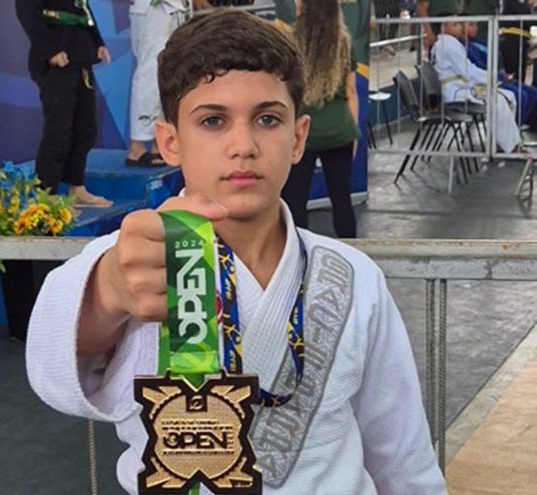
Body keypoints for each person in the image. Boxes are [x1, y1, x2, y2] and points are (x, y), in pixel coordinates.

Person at [27, 9, 447, 495]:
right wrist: (105, 294)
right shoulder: (137, 261)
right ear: (170, 142)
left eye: (267, 119)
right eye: (213, 121)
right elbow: (51, 367)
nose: (243, 145)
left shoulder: (353, 275)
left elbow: (402, 455)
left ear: (298, 138)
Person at [15, 0, 114, 207]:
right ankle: (47, 193)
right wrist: (50, 50)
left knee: (86, 126)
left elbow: (81, 6)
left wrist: (97, 41)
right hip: (57, 57)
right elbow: (26, 11)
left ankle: (77, 186)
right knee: (59, 128)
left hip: (80, 54)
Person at [280, 0, 359, 238]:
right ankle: (351, 252)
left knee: (295, 200)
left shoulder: (290, 42)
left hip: (302, 134)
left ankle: (299, 254)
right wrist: (354, 133)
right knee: (342, 200)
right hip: (340, 131)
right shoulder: (344, 44)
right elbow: (351, 91)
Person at [432, 15, 522, 152]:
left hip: (460, 86)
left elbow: (467, 70)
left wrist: (490, 78)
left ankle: (501, 143)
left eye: (459, 24)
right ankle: (511, 148)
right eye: (455, 25)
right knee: (498, 101)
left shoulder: (448, 43)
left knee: (509, 96)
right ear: (443, 28)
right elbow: (467, 72)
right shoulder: (448, 45)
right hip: (455, 91)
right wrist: (492, 78)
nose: (459, 27)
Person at [125, 0, 189, 167]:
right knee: (151, 72)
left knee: (167, 71)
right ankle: (137, 146)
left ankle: (158, 143)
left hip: (172, 8)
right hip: (153, 9)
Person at [462, 19, 537, 129]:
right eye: (471, 25)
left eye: (476, 25)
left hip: (498, 76)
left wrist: (502, 74)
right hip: (485, 81)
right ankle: (511, 131)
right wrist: (498, 77)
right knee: (521, 96)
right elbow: (477, 69)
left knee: (532, 92)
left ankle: (527, 125)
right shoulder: (463, 47)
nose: (475, 28)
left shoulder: (480, 43)